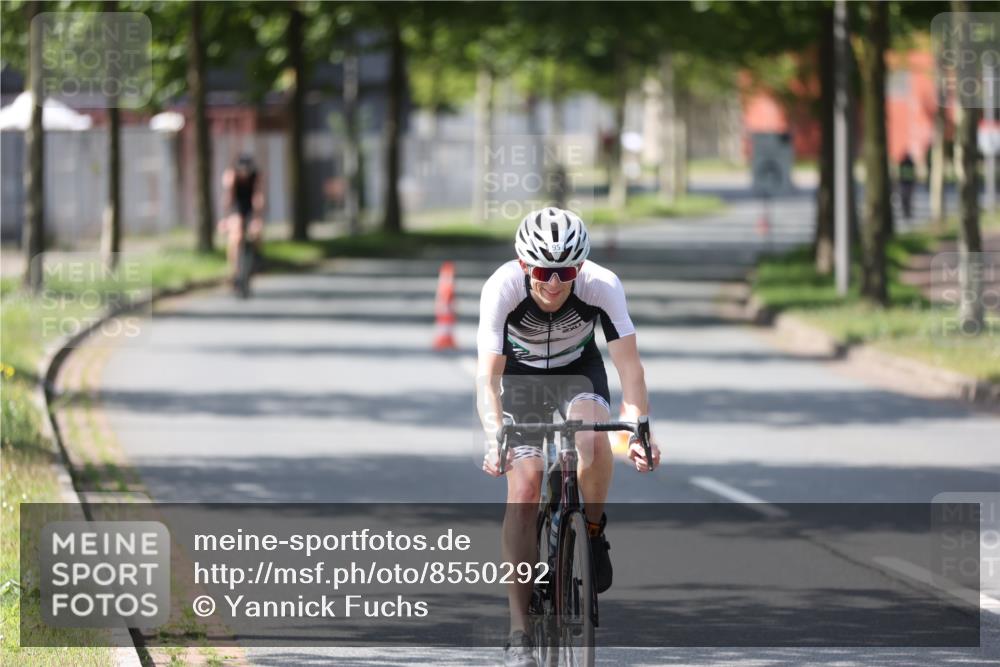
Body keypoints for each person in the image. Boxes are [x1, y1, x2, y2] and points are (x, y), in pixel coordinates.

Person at [476, 207, 661, 667]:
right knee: (524, 484)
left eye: (566, 272)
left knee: (595, 443)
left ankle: (591, 530)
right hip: (519, 382)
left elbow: (630, 369)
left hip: (579, 375)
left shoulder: (602, 285)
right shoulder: (502, 288)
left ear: (580, 268)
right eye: (542, 271)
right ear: (524, 265)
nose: (555, 283)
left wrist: (638, 427)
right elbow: (487, 378)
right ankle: (519, 632)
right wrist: (494, 435)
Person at [219, 154, 265, 282]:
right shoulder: (231, 176)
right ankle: (234, 270)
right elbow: (228, 199)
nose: (244, 174)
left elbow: (258, 198)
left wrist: (257, 218)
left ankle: (256, 258)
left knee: (257, 232)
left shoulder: (256, 176)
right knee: (236, 236)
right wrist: (225, 219)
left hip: (250, 207)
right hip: (237, 207)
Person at [898, 153, 916, 220]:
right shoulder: (907, 163)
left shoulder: (904, 163)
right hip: (906, 183)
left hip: (906, 183)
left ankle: (907, 212)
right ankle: (906, 212)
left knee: (906, 199)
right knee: (907, 199)